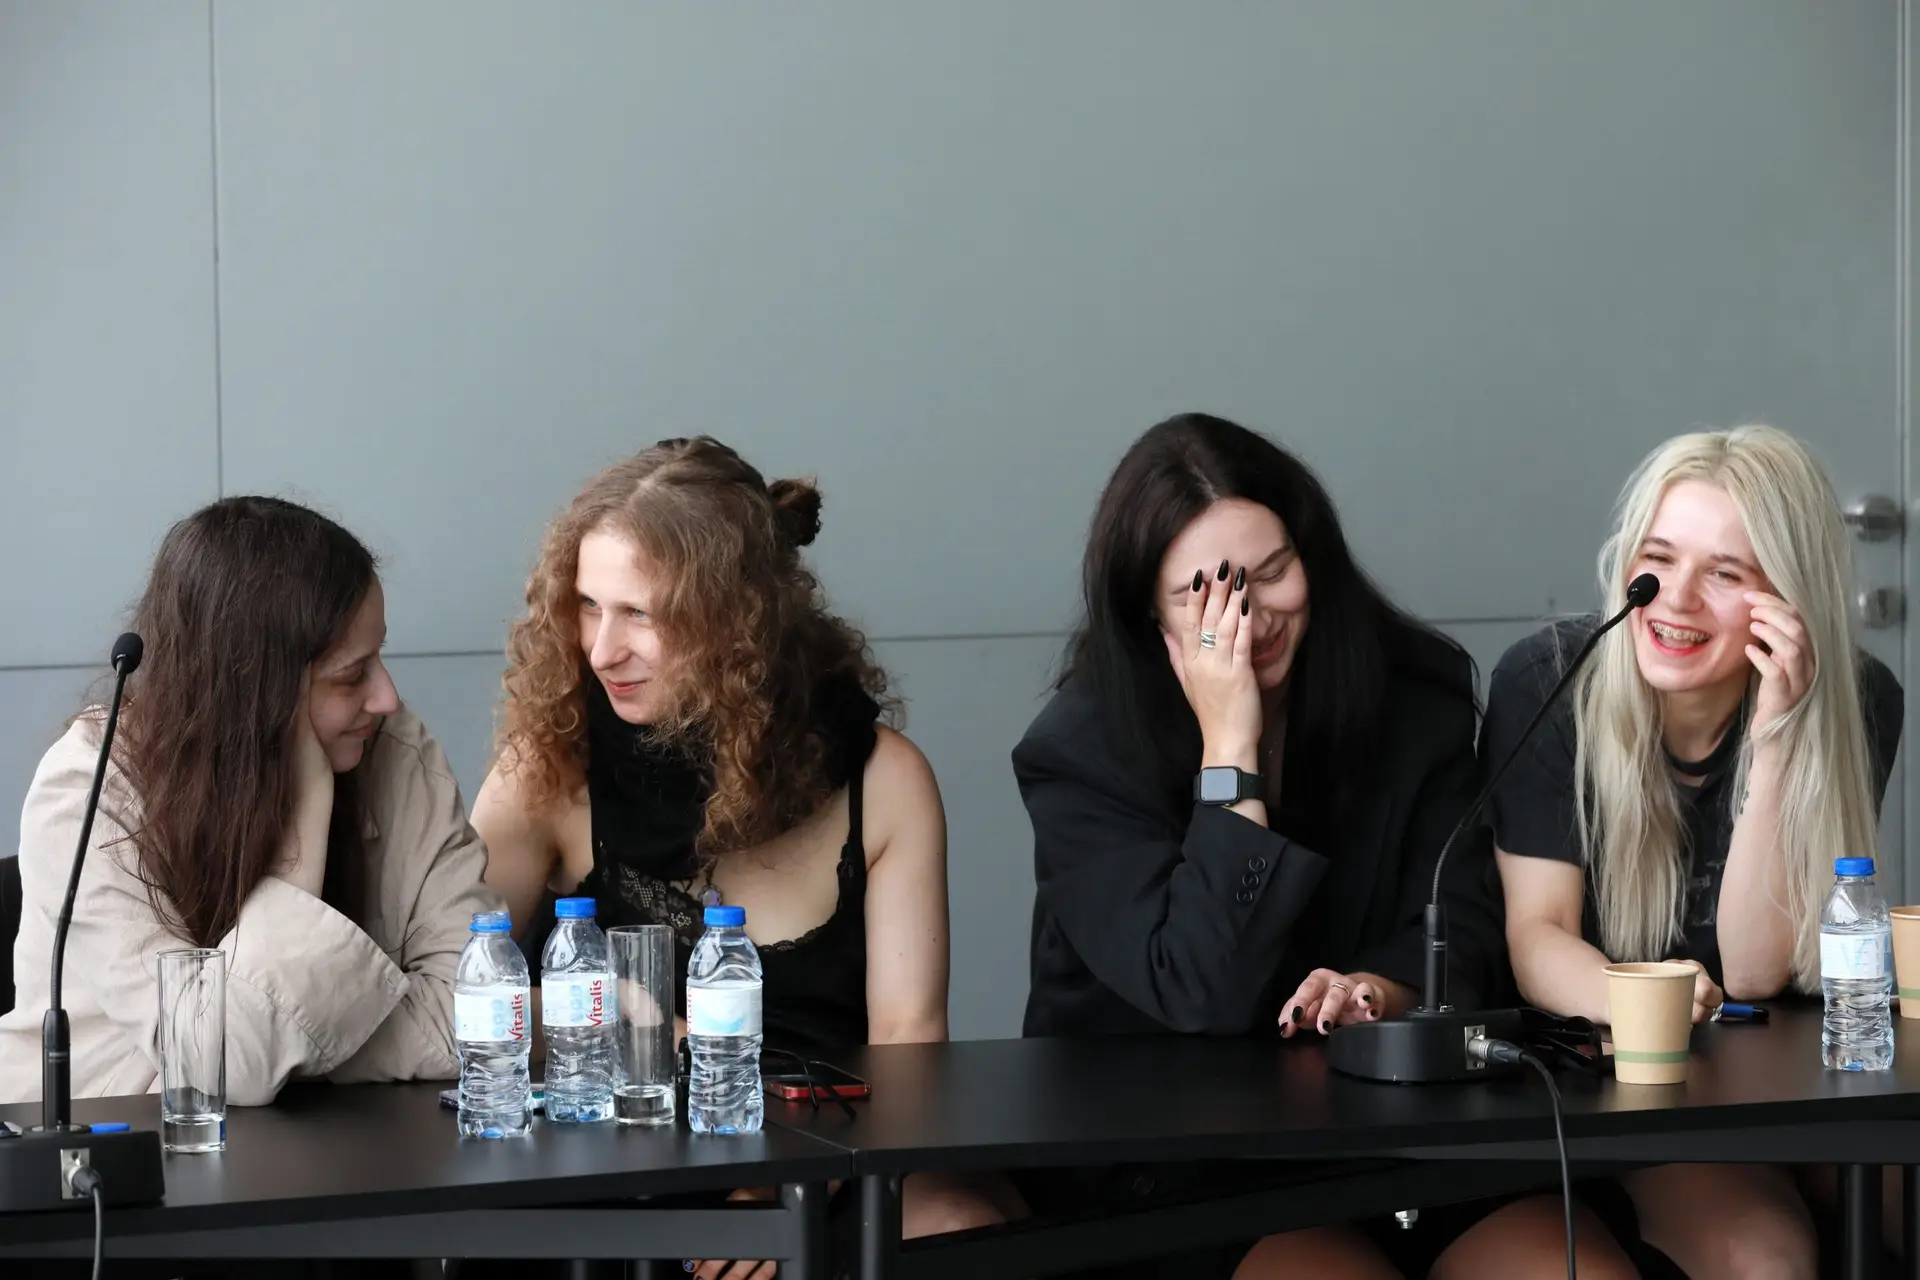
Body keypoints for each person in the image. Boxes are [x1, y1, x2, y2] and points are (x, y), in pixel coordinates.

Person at [1014, 413, 1634, 1280]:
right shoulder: (1082, 751)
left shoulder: (1413, 693)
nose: (1249, 615)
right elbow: (1203, 989)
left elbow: (1463, 920)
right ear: (1146, 608)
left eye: (1271, 573)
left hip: (1398, 1121)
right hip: (1184, 1153)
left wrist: (1377, 989)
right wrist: (1230, 753)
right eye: (1203, 594)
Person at [473, 436, 1019, 1279]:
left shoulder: (883, 780)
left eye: (641, 614)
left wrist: (779, 1187)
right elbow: (447, 989)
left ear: (739, 621)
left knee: (961, 1226)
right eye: (587, 606)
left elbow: (909, 1058)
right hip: (624, 1171)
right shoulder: (548, 771)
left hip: (836, 1160)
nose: (602, 649)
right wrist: (621, 1014)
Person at [1482, 424, 1905, 1280]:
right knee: (1766, 1256)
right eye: (1659, 559)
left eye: (1725, 574)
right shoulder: (1549, 679)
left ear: (1787, 598)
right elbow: (1536, 937)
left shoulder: (1856, 697)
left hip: (1784, 1069)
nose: (1674, 600)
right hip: (1625, 1080)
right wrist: (1650, 1001)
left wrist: (1777, 739)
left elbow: (1753, 971)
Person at [0, 496, 503, 1105]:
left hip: (344, 1144)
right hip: (110, 1146)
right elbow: (224, 1062)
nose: (387, 697)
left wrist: (270, 1051)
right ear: (256, 698)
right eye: (351, 675)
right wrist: (308, 811)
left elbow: (479, 1011)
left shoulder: (393, 748)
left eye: (379, 657)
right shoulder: (86, 791)